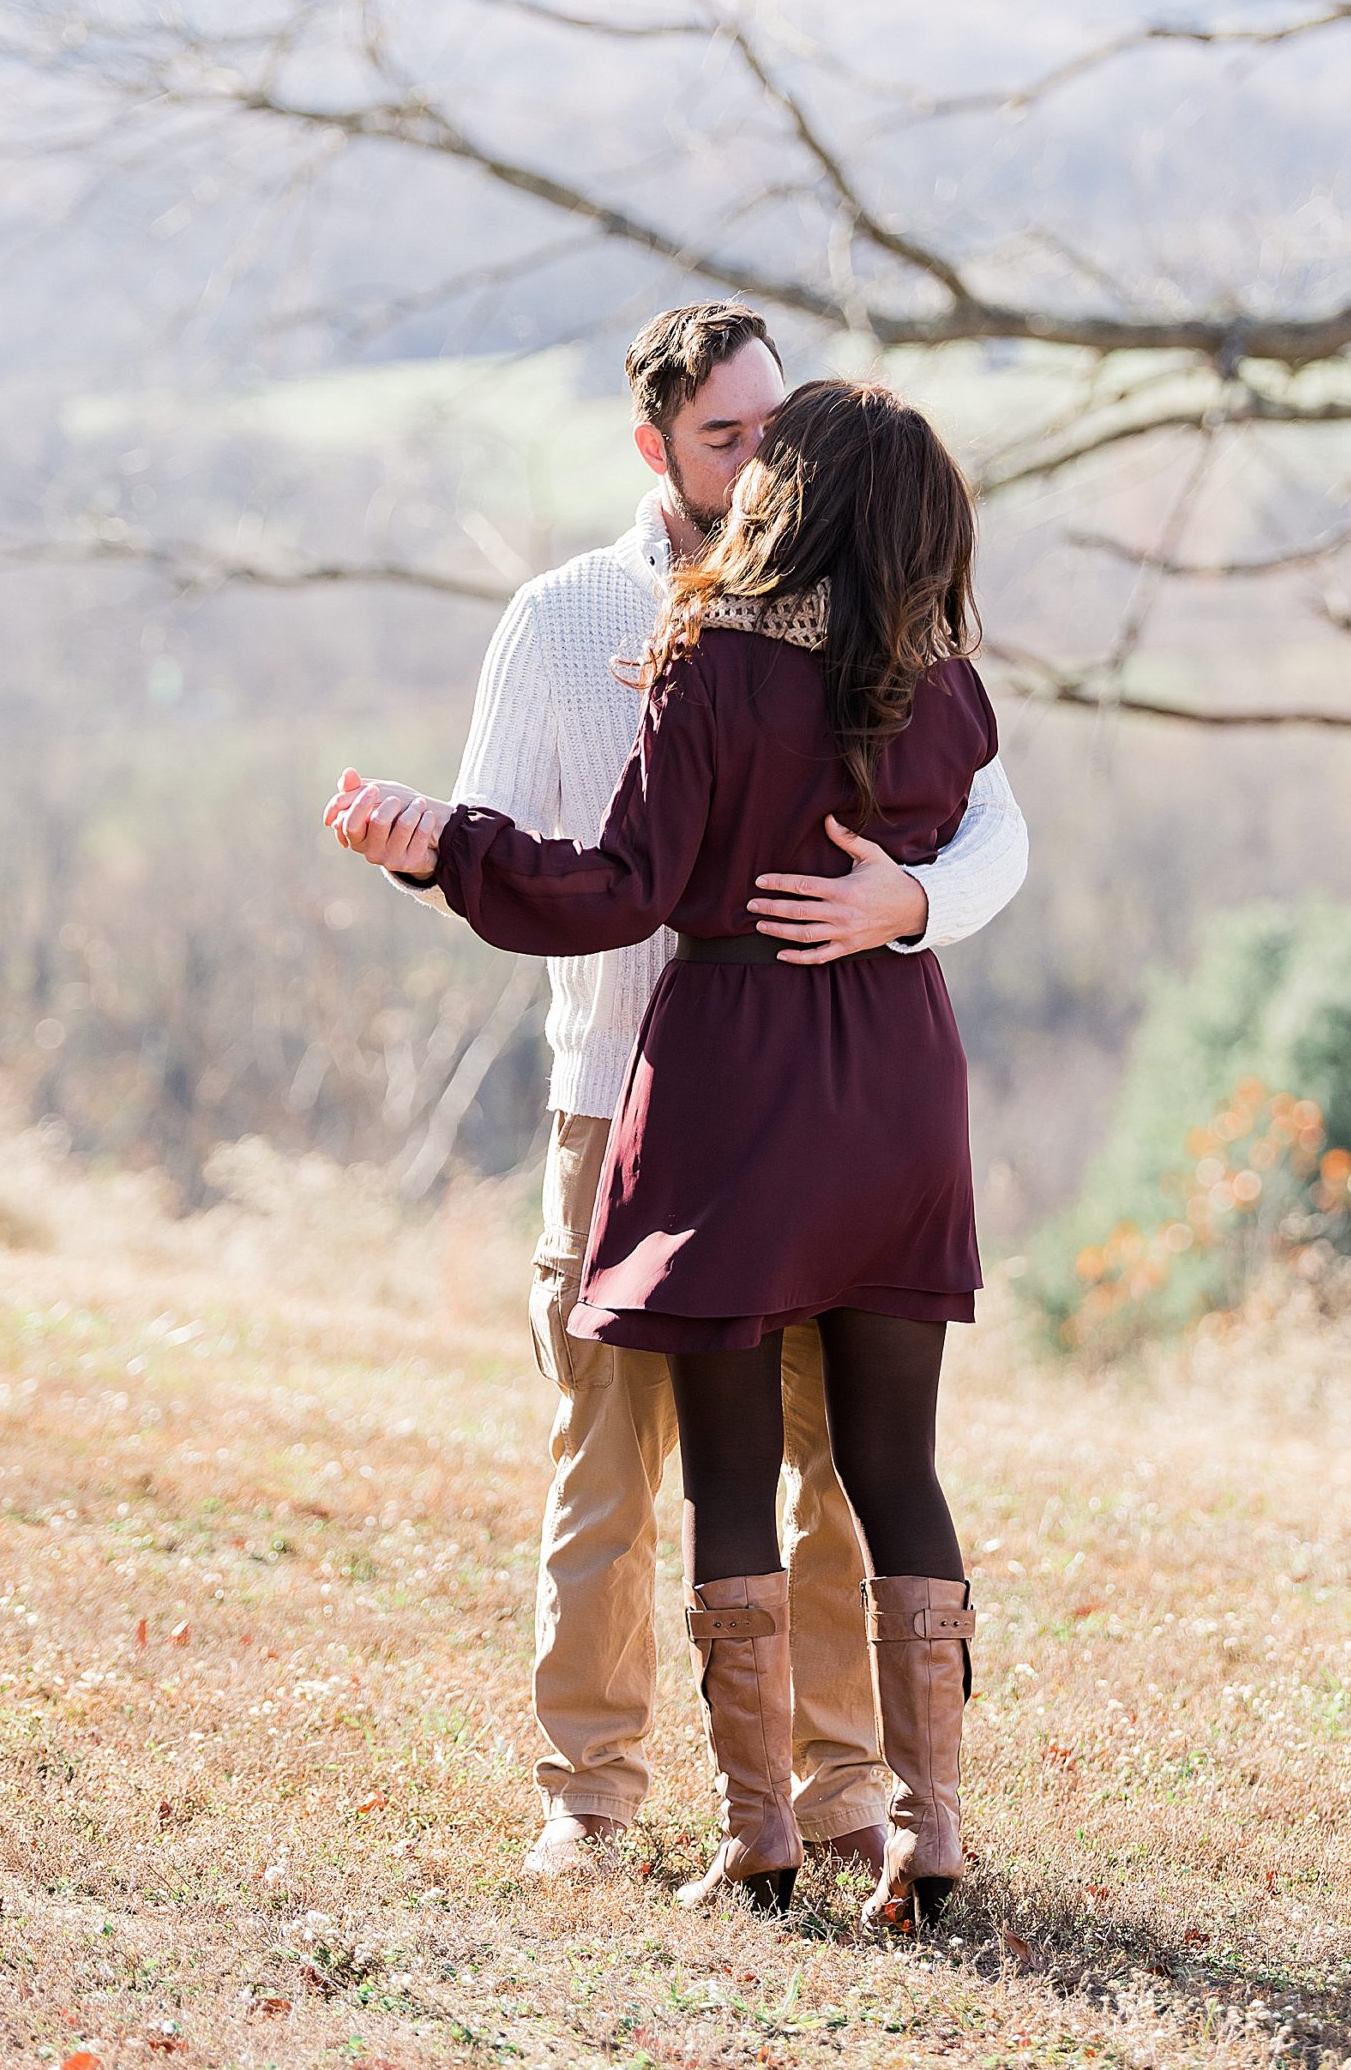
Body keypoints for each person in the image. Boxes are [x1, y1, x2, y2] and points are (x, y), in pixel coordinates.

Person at [327, 309, 1027, 1895]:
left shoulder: (706, 656)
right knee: (886, 1465)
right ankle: (930, 1837)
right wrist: (904, 902)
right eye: (732, 435)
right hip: (900, 1097)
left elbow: (621, 884)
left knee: (731, 1476)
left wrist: (447, 852)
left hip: (723, 1088)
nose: (758, 461)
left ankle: (767, 1834)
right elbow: (973, 811)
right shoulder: (939, 676)